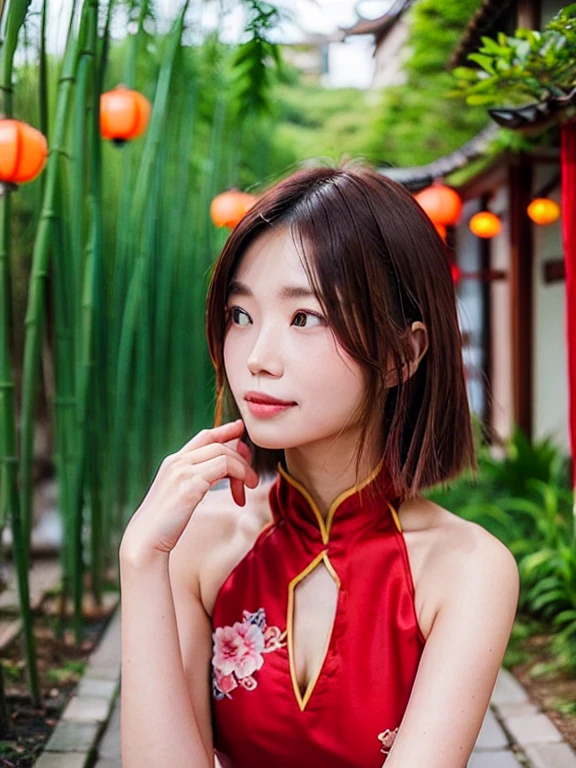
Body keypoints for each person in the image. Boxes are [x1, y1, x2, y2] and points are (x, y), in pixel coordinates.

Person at [119, 162, 520, 768]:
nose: (257, 358)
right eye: (240, 315)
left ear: (399, 355)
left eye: (304, 317)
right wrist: (141, 560)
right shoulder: (200, 545)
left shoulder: (466, 570)